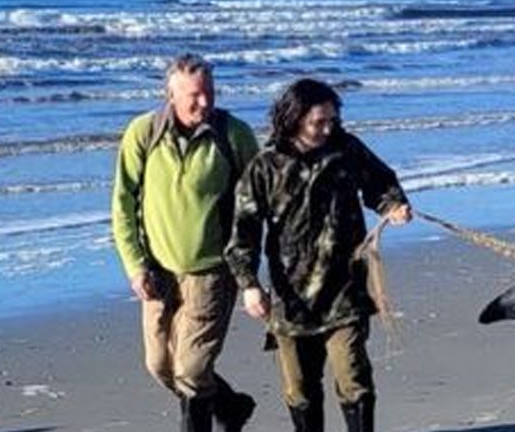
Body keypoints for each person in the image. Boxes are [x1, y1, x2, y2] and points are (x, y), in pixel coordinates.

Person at [227, 77, 413, 432]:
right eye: (319, 122)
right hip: (291, 297)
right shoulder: (265, 166)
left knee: (353, 376)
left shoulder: (346, 150)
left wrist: (393, 206)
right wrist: (249, 284)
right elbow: (243, 232)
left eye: (332, 120)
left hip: (345, 289)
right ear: (295, 118)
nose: (328, 129)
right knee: (300, 388)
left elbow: (381, 182)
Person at [111, 52, 262, 432]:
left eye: (209, 92)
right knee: (160, 366)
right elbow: (123, 203)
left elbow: (259, 200)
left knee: (191, 370)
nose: (205, 102)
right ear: (170, 94)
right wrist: (134, 265)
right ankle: (230, 407)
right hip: (157, 272)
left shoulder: (234, 134)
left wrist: (250, 275)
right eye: (194, 95)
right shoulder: (143, 133)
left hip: (212, 272)